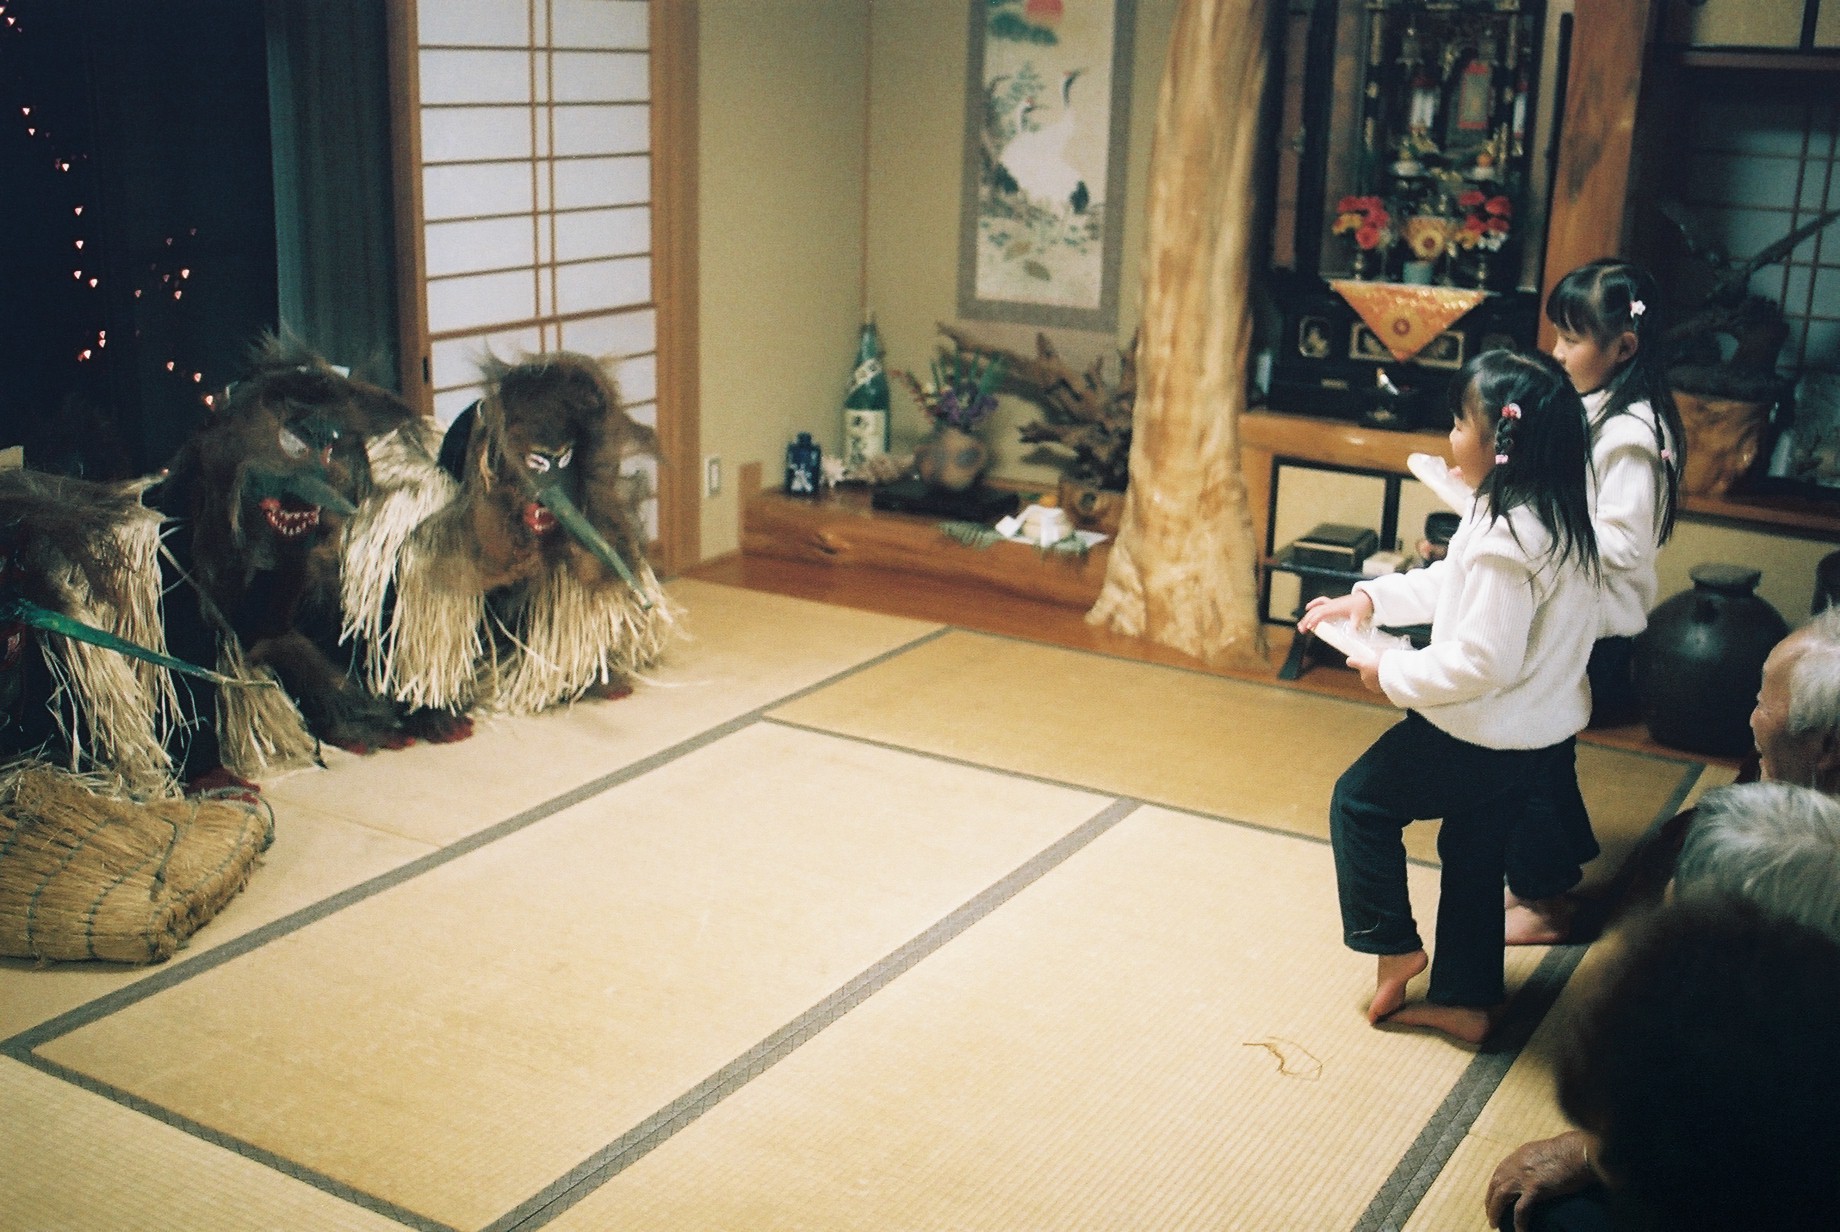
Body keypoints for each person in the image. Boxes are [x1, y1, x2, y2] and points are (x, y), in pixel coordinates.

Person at [1299, 348, 1599, 1045]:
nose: (1451, 435)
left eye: (1462, 423)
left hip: (1479, 732)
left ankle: (1393, 944)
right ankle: (1467, 1000)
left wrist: (1390, 672)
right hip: (1534, 737)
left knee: (1360, 802)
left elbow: (1482, 660)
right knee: (1473, 851)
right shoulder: (1550, 512)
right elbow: (1451, 585)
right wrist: (1370, 599)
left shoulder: (1507, 537)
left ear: (1502, 441)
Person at [1484, 778, 1840, 1231]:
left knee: (1544, 1214)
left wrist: (1597, 1152)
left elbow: (1717, 1157)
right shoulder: (1807, 987)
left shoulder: (1710, 1030)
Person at [1506, 259, 1686, 946]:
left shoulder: (1630, 434)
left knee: (1524, 741)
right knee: (1538, 746)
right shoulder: (1596, 409)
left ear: (1623, 347)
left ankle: (1545, 901)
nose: (1556, 352)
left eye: (1571, 339)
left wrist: (1538, 529)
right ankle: (1547, 879)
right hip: (1572, 612)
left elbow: (1624, 543)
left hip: (1592, 624)